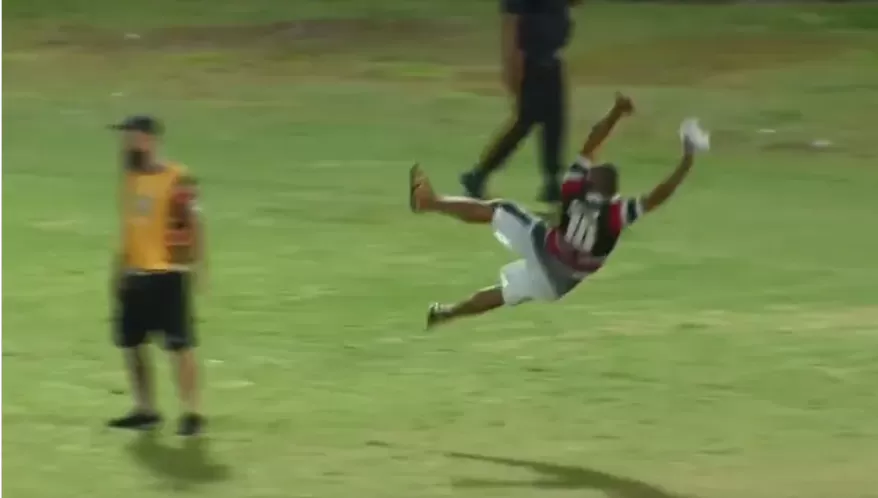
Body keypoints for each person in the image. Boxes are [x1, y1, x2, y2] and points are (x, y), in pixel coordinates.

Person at [409, 94, 702, 327]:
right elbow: (657, 196)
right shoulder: (615, 216)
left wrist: (616, 112)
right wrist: (686, 161)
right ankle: (447, 314)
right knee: (503, 293)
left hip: (546, 249)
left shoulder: (575, 191)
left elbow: (591, 144)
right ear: (613, 194)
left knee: (499, 209)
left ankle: (431, 202)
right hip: (557, 284)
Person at [107, 115, 207, 436]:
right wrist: (118, 270)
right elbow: (128, 229)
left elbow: (194, 225)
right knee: (132, 344)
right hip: (134, 274)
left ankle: (192, 413)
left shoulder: (178, 178)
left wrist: (198, 267)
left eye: (131, 137)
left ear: (149, 140)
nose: (126, 144)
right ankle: (145, 409)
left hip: (167, 274)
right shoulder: (130, 179)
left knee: (180, 346)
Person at [459, 0, 581, 205]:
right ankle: (478, 175)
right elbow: (510, 23)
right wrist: (511, 65)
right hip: (530, 60)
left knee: (555, 121)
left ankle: (551, 183)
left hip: (552, 59)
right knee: (526, 121)